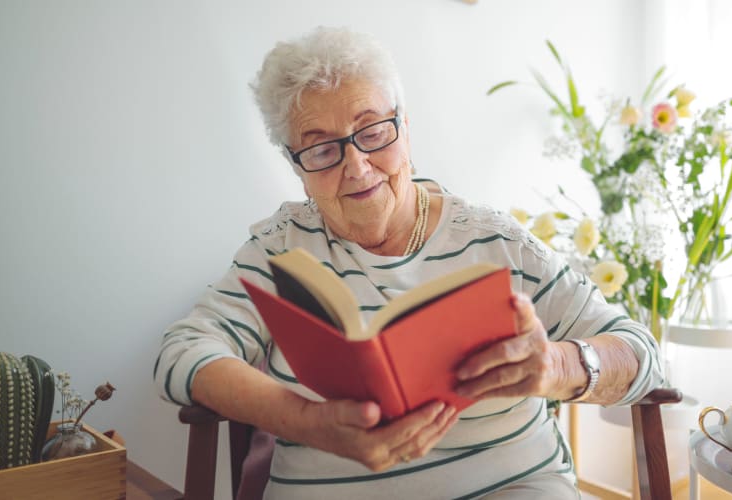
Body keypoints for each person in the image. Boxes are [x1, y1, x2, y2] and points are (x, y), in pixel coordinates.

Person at [155, 26, 663, 499]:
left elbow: (640, 352)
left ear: (404, 126)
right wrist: (305, 422)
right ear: (295, 165)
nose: (356, 166)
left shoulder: (497, 241)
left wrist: (554, 365)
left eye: (372, 132)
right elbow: (182, 351)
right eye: (321, 149)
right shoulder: (279, 250)